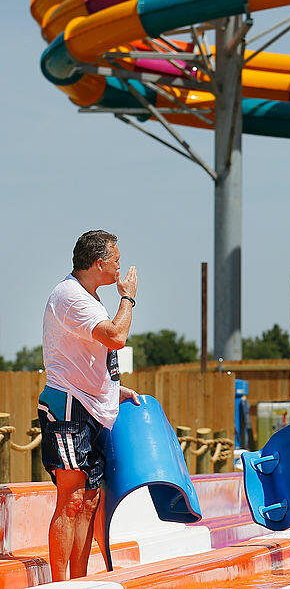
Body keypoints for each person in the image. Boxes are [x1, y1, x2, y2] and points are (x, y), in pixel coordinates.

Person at [38, 230, 141, 580]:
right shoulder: (71, 296)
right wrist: (128, 299)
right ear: (99, 263)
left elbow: (90, 357)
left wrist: (116, 390)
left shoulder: (89, 297)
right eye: (115, 260)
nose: (119, 266)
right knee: (71, 498)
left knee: (90, 500)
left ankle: (79, 581)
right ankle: (58, 583)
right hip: (68, 407)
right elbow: (116, 337)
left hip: (91, 407)